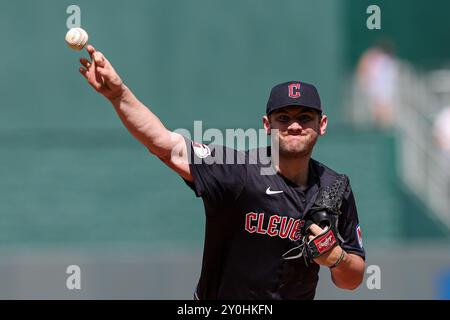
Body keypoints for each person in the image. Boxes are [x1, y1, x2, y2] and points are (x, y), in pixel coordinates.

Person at [77, 45, 366, 300]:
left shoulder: (334, 188)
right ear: (267, 125)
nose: (294, 125)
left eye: (305, 117)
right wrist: (119, 95)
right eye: (283, 118)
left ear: (322, 124)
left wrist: (336, 258)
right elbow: (166, 145)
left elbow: (351, 280)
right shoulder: (238, 172)